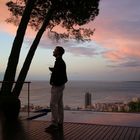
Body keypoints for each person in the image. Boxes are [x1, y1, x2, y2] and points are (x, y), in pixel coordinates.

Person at [45, 46, 68, 132]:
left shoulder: (59, 62)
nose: (53, 51)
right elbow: (60, 73)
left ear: (58, 52)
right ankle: (60, 122)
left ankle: (54, 124)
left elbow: (59, 74)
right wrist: (53, 70)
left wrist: (54, 82)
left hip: (57, 86)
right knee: (59, 104)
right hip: (60, 85)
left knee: (53, 104)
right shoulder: (60, 62)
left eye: (54, 50)